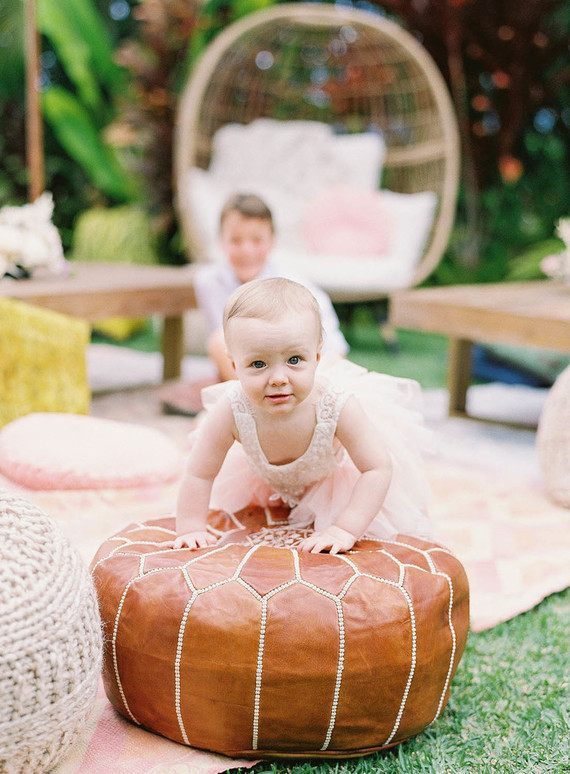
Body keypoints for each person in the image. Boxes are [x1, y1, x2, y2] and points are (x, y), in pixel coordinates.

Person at [170, 277, 432, 553]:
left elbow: (377, 468)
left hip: (334, 482)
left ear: (318, 357)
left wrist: (345, 529)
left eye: (294, 360)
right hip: (269, 478)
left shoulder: (337, 406)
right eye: (258, 364)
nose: (279, 378)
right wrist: (191, 528)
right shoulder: (232, 408)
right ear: (234, 365)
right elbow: (199, 472)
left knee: (389, 523)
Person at [193, 192, 349, 382]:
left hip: (299, 376)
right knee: (219, 342)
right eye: (236, 240)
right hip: (248, 373)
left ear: (272, 241)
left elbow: (335, 351)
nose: (247, 250)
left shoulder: (295, 285)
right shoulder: (208, 281)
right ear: (221, 241)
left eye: (257, 240)